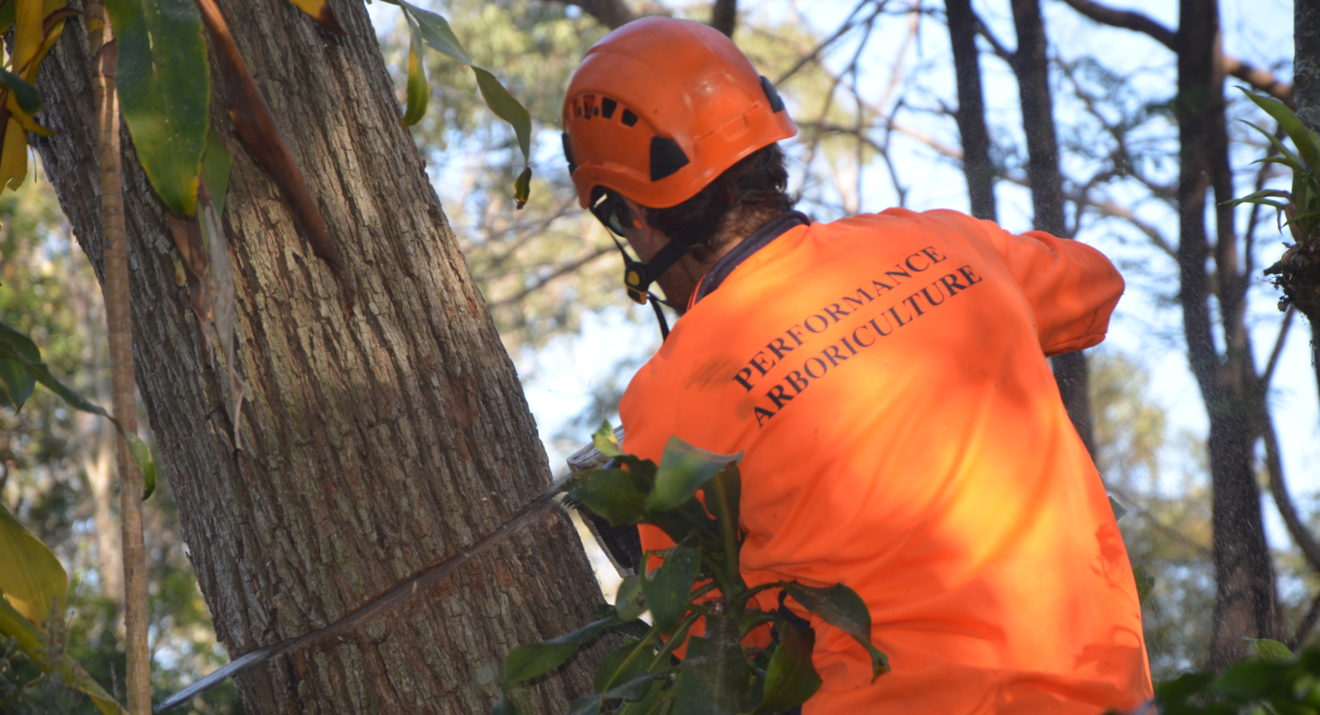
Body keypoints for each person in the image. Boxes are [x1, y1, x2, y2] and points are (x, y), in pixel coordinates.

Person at [561, 16, 1153, 714]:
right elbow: (1094, 286)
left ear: (631, 213)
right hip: (1108, 693)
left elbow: (711, 642)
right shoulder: (941, 241)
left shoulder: (668, 399)